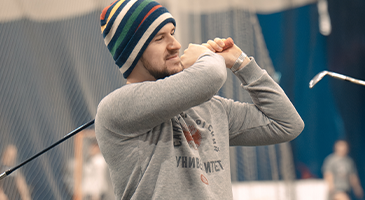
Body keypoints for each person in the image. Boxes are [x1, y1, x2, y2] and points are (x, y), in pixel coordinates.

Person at [95, 0, 304, 199]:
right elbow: (211, 76)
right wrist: (206, 55)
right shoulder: (116, 107)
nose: (175, 45)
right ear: (132, 52)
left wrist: (240, 63)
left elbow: (286, 124)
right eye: (159, 38)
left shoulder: (208, 106)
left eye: (172, 34)